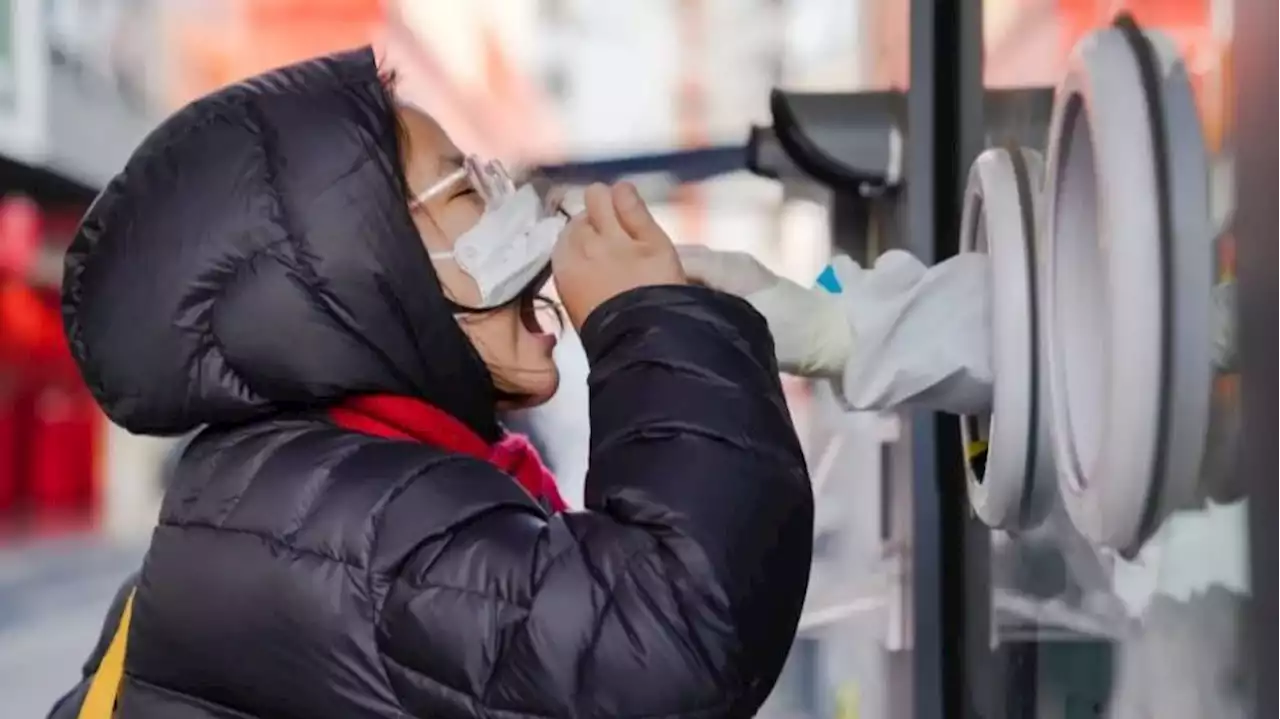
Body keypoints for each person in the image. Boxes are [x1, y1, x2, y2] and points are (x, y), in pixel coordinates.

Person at [51, 48, 813, 718]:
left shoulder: (318, 492)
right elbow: (676, 639)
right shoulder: (356, 529)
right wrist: (650, 324)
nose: (514, 206)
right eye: (463, 190)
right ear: (357, 271)